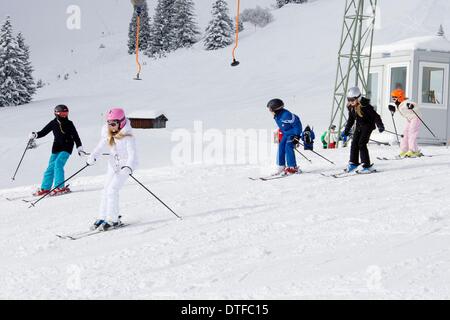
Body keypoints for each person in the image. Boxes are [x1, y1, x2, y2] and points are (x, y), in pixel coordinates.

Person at [86, 108, 138, 231]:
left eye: (113, 124)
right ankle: (102, 217)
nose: (111, 126)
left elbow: (133, 155)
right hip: (113, 164)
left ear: (121, 123)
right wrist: (93, 156)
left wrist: (128, 167)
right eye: (109, 124)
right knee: (105, 190)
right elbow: (100, 147)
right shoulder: (108, 133)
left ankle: (114, 219)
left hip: (125, 166)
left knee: (112, 189)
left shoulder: (128, 136)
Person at [29, 105, 84, 196]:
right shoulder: (53, 123)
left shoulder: (69, 123)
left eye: (66, 113)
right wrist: (35, 135)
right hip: (56, 147)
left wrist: (79, 148)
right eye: (62, 113)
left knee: (58, 163)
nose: (64, 115)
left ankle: (60, 187)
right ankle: (45, 188)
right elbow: (43, 132)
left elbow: (76, 136)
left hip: (67, 146)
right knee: (50, 167)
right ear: (56, 113)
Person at [341, 87, 385, 173]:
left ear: (358, 98)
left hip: (368, 126)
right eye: (349, 100)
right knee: (354, 143)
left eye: (352, 100)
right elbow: (351, 120)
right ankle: (353, 163)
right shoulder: (351, 107)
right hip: (359, 126)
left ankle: (366, 165)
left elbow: (376, 116)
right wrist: (346, 130)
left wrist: (380, 125)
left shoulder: (365, 106)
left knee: (361, 143)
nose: (351, 102)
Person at [267, 98, 302, 175]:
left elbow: (297, 124)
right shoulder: (277, 116)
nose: (269, 111)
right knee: (281, 146)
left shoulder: (286, 115)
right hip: (286, 134)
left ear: (275, 109)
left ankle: (292, 167)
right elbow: (283, 126)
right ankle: (281, 166)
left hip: (293, 133)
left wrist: (297, 136)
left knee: (288, 146)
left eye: (270, 109)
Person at [389, 89, 423, 158]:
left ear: (400, 97)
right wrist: (394, 109)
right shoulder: (399, 104)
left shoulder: (406, 102)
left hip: (415, 118)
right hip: (409, 119)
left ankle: (413, 151)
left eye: (394, 98)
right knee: (405, 133)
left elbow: (414, 105)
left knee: (412, 133)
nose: (393, 99)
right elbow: (403, 110)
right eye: (392, 98)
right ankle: (404, 150)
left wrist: (411, 106)